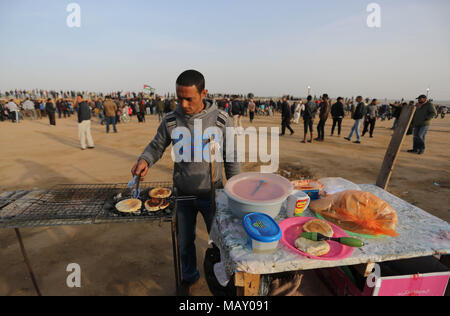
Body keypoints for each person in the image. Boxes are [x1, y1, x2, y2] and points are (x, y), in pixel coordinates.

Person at [131, 70, 240, 295]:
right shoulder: (171, 119)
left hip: (213, 194)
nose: (183, 103)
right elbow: (157, 145)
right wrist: (144, 159)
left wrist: (237, 192)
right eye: (179, 97)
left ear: (204, 93)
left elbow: (231, 157)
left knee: (221, 243)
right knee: (185, 243)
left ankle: (223, 280)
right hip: (183, 194)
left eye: (189, 98)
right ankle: (189, 278)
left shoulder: (220, 119)